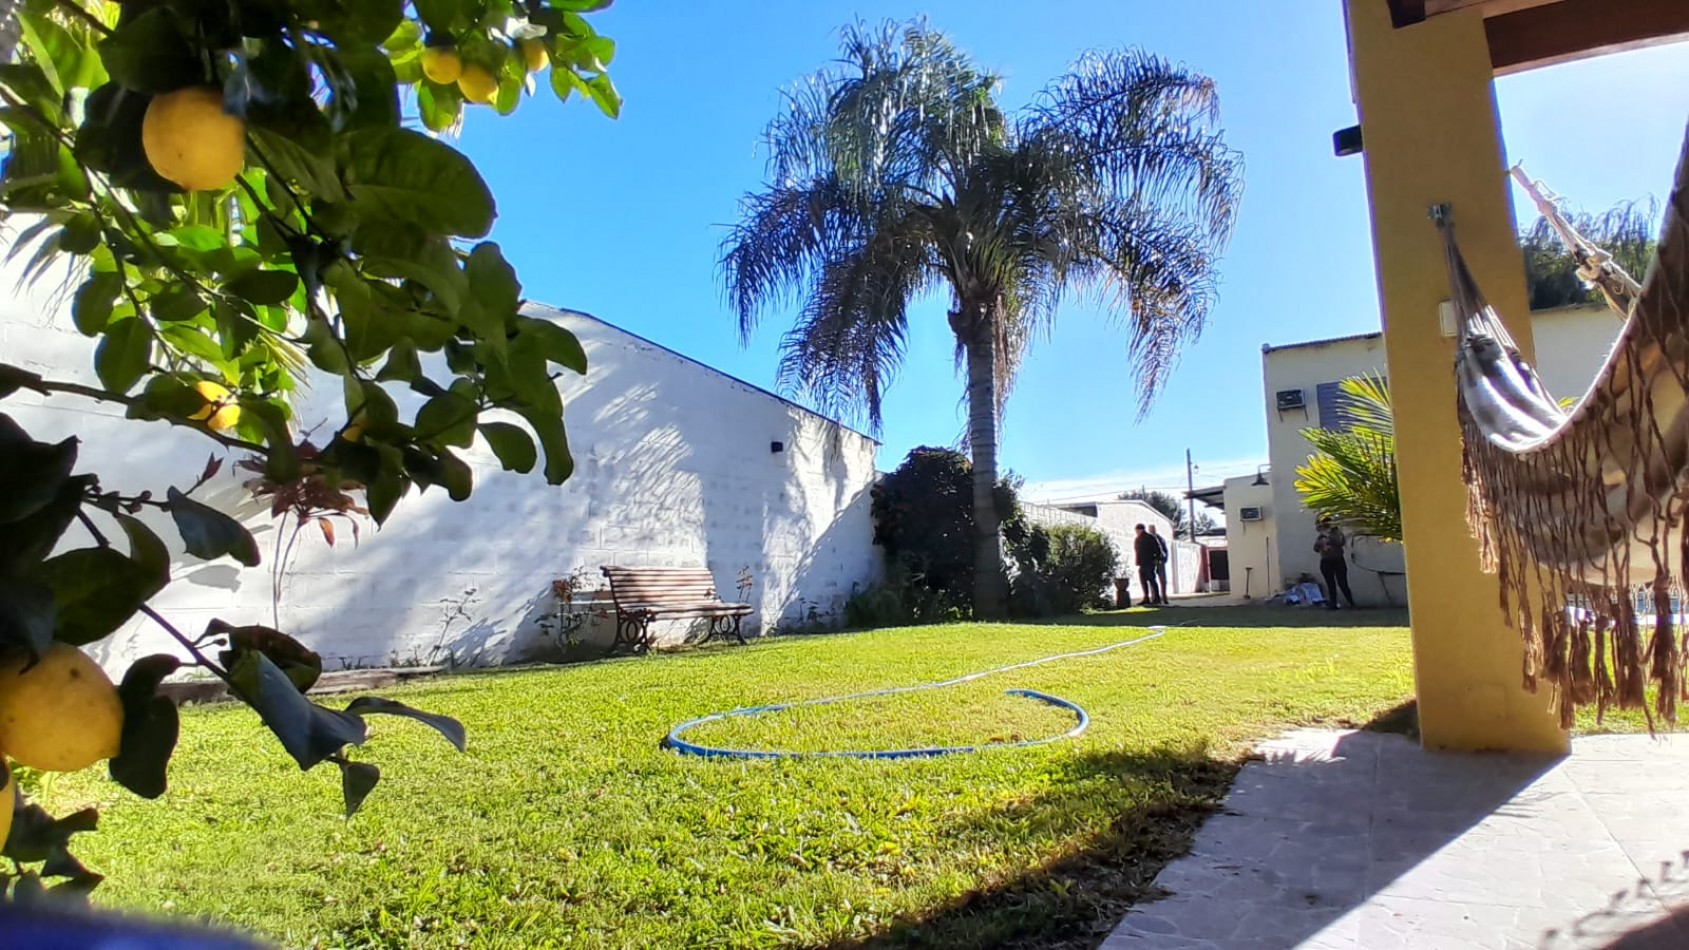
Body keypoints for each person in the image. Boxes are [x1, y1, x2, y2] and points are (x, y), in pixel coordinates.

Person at [1314, 517, 1357, 609]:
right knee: (1330, 584)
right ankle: (1333, 604)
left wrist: (1329, 535)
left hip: (1338, 560)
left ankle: (1351, 603)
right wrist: (1320, 542)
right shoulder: (1321, 536)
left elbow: (1340, 542)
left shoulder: (1337, 533)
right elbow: (1316, 549)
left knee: (1342, 583)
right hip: (1326, 561)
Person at [1133, 524, 1165, 606]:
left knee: (1152, 580)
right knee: (1143, 581)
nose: (1136, 532)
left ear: (1141, 529)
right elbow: (1137, 551)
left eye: (1137, 530)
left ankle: (1156, 598)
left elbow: (1157, 549)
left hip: (1149, 562)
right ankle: (1146, 597)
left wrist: (1156, 559)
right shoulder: (1137, 539)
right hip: (1141, 563)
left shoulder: (1150, 538)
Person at [1148, 525, 1171, 604]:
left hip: (1160, 561)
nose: (1152, 531)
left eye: (1153, 529)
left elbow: (1165, 550)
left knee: (1163, 580)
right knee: (1152, 580)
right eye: (1150, 529)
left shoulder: (1160, 539)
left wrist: (1164, 559)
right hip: (1152, 562)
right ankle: (1155, 597)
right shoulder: (1148, 539)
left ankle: (1164, 597)